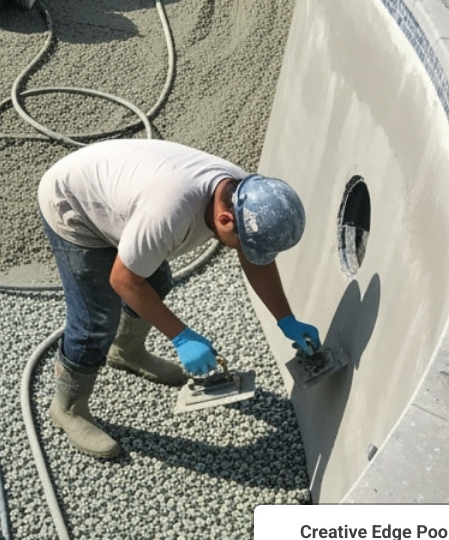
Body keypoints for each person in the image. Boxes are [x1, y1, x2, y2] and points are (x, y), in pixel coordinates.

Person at [37, 139, 320, 459]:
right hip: (73, 202)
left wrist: (287, 320)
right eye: (243, 244)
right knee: (96, 318)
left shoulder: (242, 195)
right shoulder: (168, 213)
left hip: (118, 192)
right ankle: (67, 407)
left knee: (156, 279)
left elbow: (256, 260)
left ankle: (126, 352)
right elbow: (123, 280)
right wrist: (182, 337)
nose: (246, 253)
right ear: (226, 220)